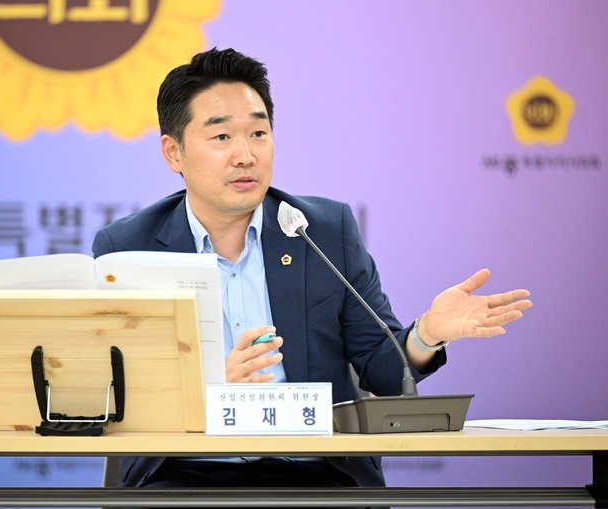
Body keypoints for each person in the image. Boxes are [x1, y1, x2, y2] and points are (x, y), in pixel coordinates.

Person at [92, 48, 532, 491]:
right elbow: (112, 394)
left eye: (258, 133)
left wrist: (427, 334)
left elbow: (383, 370)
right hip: (183, 471)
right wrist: (206, 389)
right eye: (221, 137)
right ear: (174, 153)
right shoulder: (128, 248)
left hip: (315, 469)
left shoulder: (321, 231)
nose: (245, 155)